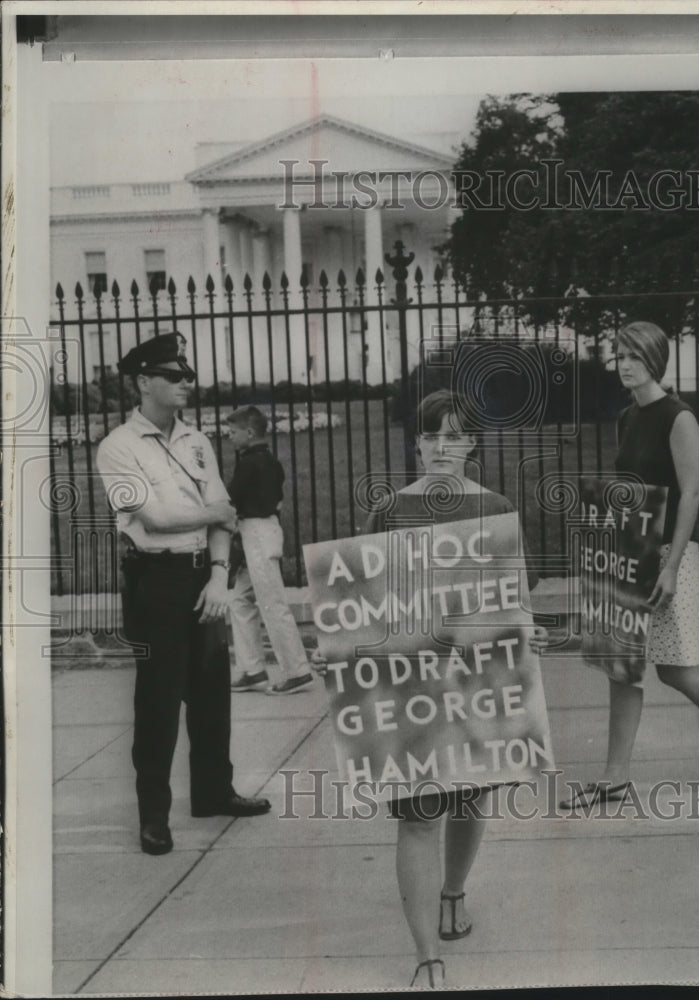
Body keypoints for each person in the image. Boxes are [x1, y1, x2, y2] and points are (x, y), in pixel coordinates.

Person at [313, 390, 538, 989]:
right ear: (416, 443)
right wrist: (336, 647)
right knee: (417, 816)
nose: (443, 446)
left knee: (471, 796)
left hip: (474, 676)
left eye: (455, 435)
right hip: (410, 679)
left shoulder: (493, 508)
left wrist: (523, 635)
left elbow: (513, 593)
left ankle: (454, 891)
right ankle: (426, 956)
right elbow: (356, 599)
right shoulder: (390, 512)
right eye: (432, 435)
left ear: (471, 445)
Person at [536, 321, 699, 808]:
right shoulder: (628, 417)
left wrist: (670, 565)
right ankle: (614, 777)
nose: (624, 364)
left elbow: (692, 493)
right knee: (622, 666)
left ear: (655, 361)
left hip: (669, 558)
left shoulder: (678, 417)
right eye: (619, 356)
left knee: (676, 667)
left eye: (634, 357)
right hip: (630, 551)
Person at [95, 333, 271, 857]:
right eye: (173, 376)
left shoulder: (197, 441)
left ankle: (214, 792)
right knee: (158, 700)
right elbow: (156, 517)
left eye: (187, 375)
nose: (185, 384)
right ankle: (154, 817)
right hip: (156, 582)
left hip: (203, 577)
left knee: (212, 693)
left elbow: (224, 513)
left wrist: (219, 576)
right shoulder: (118, 447)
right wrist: (215, 515)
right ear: (143, 382)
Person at [225, 405, 314, 695]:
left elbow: (232, 499)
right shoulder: (268, 461)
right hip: (266, 530)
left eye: (233, 432)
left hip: (256, 533)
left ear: (249, 433)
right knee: (240, 598)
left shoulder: (250, 463)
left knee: (271, 602)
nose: (230, 437)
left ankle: (297, 671)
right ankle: (252, 669)